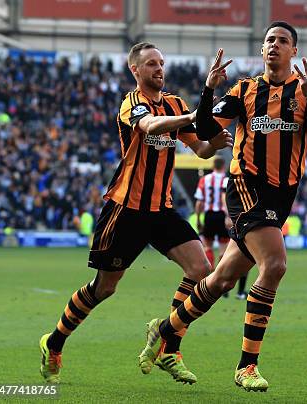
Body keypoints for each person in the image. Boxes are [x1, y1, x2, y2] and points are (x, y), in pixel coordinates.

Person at [139, 21, 307, 392]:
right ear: (262, 51)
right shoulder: (244, 90)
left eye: (283, 41)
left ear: (294, 51)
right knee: (274, 265)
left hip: (282, 196)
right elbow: (209, 128)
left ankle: (164, 331)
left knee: (222, 279)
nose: (275, 45)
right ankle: (247, 365)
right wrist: (208, 90)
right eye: (269, 40)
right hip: (246, 186)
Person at [38, 42, 232, 384]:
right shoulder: (133, 104)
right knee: (104, 288)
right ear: (136, 71)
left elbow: (200, 149)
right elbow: (151, 128)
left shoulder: (175, 102)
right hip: (125, 210)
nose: (159, 68)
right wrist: (194, 116)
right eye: (151, 64)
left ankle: (169, 346)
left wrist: (213, 145)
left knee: (202, 269)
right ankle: (54, 343)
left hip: (161, 209)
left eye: (162, 63)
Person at [194, 156, 247, 298]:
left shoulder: (205, 180)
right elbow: (226, 199)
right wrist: (228, 216)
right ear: (223, 166)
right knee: (224, 250)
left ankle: (206, 282)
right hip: (223, 216)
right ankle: (219, 281)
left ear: (213, 166)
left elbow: (199, 202)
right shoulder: (226, 180)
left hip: (209, 215)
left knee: (207, 247)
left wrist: (199, 219)